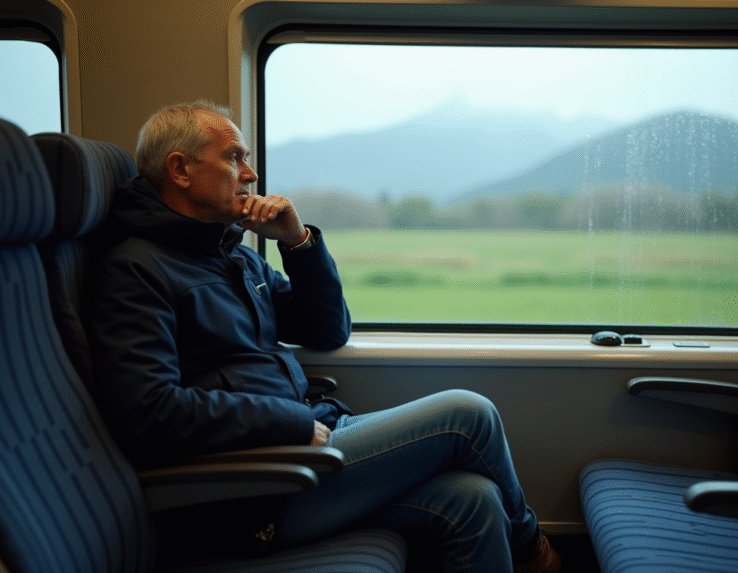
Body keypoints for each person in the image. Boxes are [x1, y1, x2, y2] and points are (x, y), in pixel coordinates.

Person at [88, 100, 561, 573]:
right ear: (180, 170)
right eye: (233, 158)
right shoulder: (134, 270)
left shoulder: (234, 257)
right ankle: (533, 552)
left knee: (474, 498)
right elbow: (150, 411)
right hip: (253, 487)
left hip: (306, 440)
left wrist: (298, 243)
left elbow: (327, 329)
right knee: (468, 413)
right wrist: (289, 423)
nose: (250, 174)